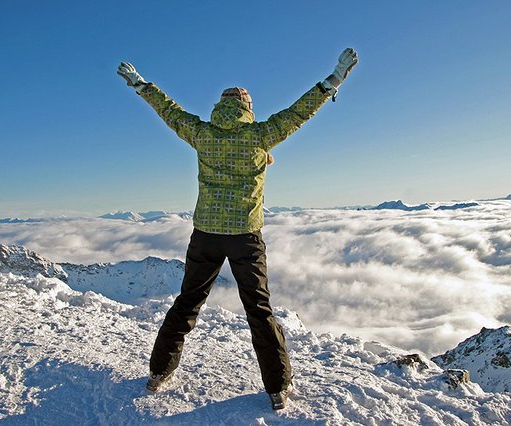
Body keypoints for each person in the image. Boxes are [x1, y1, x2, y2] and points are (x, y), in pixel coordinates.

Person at [117, 48, 358, 410]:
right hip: (246, 236)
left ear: (220, 107)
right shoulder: (261, 135)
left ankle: (158, 372)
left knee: (187, 303)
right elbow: (299, 112)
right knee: (259, 309)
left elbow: (169, 110)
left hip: (206, 235)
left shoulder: (202, 134)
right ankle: (277, 388)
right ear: (248, 108)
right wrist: (332, 81)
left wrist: (140, 84)